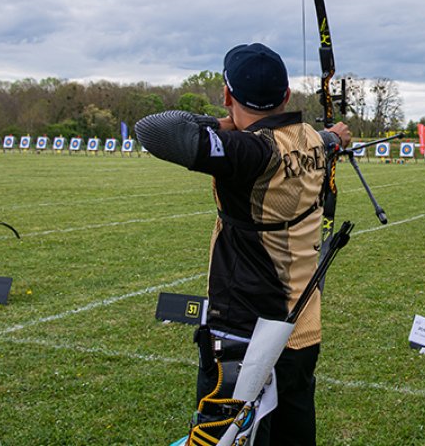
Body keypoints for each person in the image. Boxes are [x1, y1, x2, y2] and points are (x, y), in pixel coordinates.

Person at [135, 42, 351, 446]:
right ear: (286, 96)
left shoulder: (250, 150)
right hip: (301, 327)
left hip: (244, 332)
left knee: (228, 436)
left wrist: (223, 121)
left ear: (227, 94)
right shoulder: (310, 139)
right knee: (292, 430)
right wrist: (334, 136)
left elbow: (154, 129)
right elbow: (328, 137)